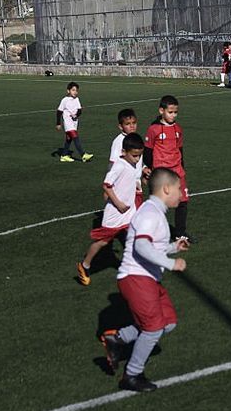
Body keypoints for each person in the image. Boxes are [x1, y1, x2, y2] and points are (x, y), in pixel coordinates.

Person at [99, 167, 188, 392]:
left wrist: (172, 248)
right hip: (137, 278)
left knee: (168, 323)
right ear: (166, 189)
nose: (182, 193)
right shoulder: (150, 213)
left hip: (147, 279)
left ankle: (118, 338)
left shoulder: (155, 213)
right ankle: (131, 375)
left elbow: (150, 246)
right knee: (153, 328)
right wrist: (171, 264)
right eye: (179, 189)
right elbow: (141, 246)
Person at [76, 133, 146, 286]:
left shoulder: (132, 163)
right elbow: (106, 185)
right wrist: (118, 203)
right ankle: (85, 265)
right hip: (116, 212)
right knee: (102, 241)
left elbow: (130, 180)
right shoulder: (119, 165)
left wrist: (139, 184)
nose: (137, 159)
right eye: (134, 156)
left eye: (139, 156)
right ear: (124, 152)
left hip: (129, 210)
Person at [143, 96, 190, 240]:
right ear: (161, 111)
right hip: (161, 172)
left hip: (177, 171)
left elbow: (179, 149)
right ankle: (154, 233)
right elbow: (148, 151)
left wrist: (182, 167)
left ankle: (180, 233)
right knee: (159, 204)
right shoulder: (153, 129)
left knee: (183, 202)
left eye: (175, 112)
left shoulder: (178, 128)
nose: (173, 115)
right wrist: (147, 169)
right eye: (170, 112)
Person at [56, 82, 93, 163]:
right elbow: (59, 112)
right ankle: (83, 155)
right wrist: (58, 123)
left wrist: (76, 115)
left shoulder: (77, 99)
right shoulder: (64, 100)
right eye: (73, 90)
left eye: (76, 90)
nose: (75, 92)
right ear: (68, 91)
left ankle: (64, 155)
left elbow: (79, 110)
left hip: (75, 122)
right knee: (75, 136)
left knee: (69, 139)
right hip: (68, 122)